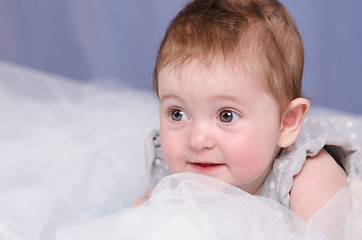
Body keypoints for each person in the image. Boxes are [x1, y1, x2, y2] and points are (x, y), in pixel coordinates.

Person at [133, 0, 359, 221]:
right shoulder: (172, 170)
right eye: (177, 114)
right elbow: (142, 216)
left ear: (286, 123)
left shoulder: (307, 178)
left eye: (226, 116)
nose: (197, 139)